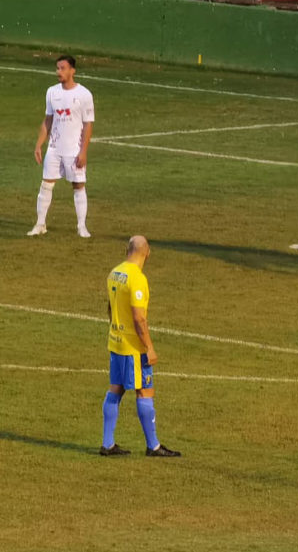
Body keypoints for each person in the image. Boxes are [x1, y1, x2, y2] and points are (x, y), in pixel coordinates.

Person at [101, 236, 180, 457]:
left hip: (115, 341)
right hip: (133, 347)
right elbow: (139, 319)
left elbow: (109, 307)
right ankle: (153, 446)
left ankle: (107, 444)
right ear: (147, 252)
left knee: (115, 389)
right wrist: (149, 347)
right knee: (145, 391)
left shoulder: (114, 273)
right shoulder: (137, 279)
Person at [29, 55, 94, 239]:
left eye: (63, 68)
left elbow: (88, 124)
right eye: (57, 68)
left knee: (78, 185)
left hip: (74, 150)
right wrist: (39, 145)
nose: (59, 72)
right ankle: (40, 224)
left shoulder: (84, 95)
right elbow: (48, 120)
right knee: (46, 184)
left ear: (72, 70)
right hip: (55, 148)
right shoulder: (52, 92)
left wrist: (83, 152)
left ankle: (81, 226)